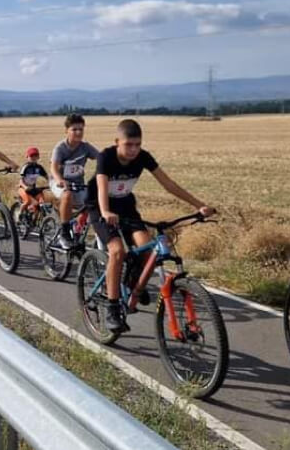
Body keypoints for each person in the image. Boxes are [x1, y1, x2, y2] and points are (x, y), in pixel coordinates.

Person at [87, 119, 215, 335]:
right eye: (129, 144)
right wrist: (106, 212)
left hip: (126, 205)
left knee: (148, 249)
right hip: (100, 207)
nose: (134, 150)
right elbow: (101, 186)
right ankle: (112, 307)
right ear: (117, 142)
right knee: (117, 251)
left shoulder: (143, 158)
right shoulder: (106, 157)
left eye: (138, 144)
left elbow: (169, 185)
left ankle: (134, 285)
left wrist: (199, 205)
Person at [51, 113, 100, 248]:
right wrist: (60, 180)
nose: (78, 132)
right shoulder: (60, 148)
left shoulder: (85, 147)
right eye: (74, 129)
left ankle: (78, 231)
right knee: (67, 195)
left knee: (93, 201)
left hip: (78, 184)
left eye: (81, 129)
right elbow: (53, 168)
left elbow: (101, 158)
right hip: (60, 182)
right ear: (67, 131)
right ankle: (64, 232)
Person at [18, 147, 49, 219]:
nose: (33, 158)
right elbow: (21, 180)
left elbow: (47, 177)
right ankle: (19, 214)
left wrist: (52, 184)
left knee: (41, 202)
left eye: (35, 156)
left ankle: (36, 219)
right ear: (27, 157)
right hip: (23, 188)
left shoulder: (39, 167)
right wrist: (25, 187)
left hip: (33, 188)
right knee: (27, 201)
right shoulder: (26, 167)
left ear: (38, 157)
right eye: (31, 156)